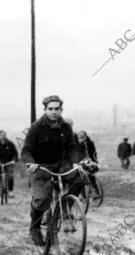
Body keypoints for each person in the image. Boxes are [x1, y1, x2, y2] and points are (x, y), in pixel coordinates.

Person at [21, 95, 84, 247]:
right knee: (42, 199)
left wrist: (76, 162)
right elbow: (26, 150)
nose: (54, 112)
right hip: (41, 167)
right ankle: (35, 227)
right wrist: (31, 164)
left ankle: (66, 206)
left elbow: (71, 147)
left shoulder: (66, 127)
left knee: (81, 177)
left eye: (57, 109)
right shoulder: (36, 127)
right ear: (45, 110)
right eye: (50, 109)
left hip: (61, 165)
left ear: (61, 110)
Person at [0, 130, 19, 198]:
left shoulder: (10, 143)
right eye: (1, 135)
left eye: (4, 135)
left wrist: (14, 160)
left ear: (5, 135)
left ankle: (10, 191)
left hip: (9, 161)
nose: (2, 137)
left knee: (10, 176)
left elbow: (15, 153)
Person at [76, 130, 101, 198]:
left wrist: (94, 161)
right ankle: (83, 195)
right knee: (81, 177)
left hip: (87, 160)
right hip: (81, 161)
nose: (81, 138)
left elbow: (92, 152)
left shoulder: (89, 143)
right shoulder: (76, 143)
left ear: (85, 136)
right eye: (79, 136)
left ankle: (95, 192)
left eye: (82, 136)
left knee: (90, 177)